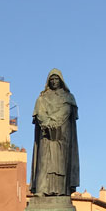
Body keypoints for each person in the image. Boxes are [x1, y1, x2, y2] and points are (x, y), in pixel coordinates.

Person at [30, 69, 79, 199]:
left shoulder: (69, 97)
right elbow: (39, 113)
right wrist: (47, 123)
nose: (54, 81)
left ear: (61, 81)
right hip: (45, 133)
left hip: (62, 135)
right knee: (44, 161)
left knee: (62, 162)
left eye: (56, 79)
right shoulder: (42, 98)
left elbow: (67, 110)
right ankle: (42, 189)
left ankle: (62, 190)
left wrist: (54, 122)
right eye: (51, 79)